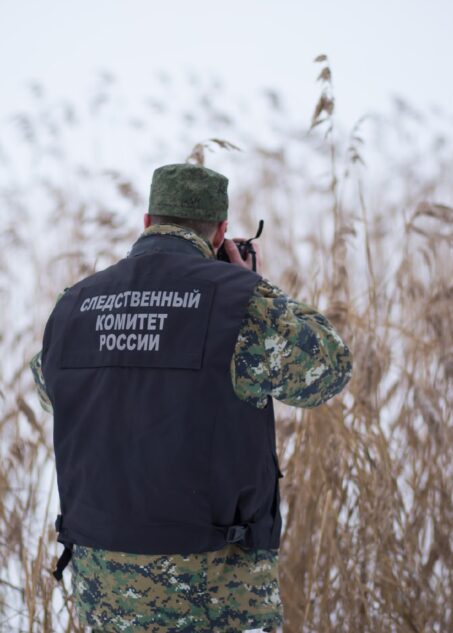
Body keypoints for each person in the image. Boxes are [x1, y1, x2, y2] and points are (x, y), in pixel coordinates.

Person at [30, 163, 352, 632]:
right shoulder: (241, 303)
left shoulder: (74, 304)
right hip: (214, 586)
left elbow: (50, 389)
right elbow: (329, 368)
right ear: (222, 231)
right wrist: (250, 282)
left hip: (104, 586)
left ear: (147, 222)